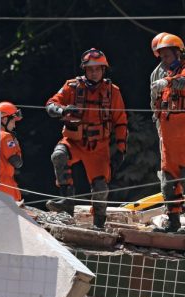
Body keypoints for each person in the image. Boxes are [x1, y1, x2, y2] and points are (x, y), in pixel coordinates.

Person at [45, 48, 128, 229]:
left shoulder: (113, 92)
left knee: (100, 188)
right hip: (74, 141)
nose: (94, 72)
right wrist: (62, 110)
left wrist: (121, 149)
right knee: (58, 156)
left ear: (103, 70)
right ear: (84, 69)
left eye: (98, 68)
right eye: (90, 69)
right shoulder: (72, 86)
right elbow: (51, 104)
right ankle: (67, 202)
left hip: (99, 147)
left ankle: (99, 224)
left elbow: (121, 122)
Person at [150, 33, 185, 234]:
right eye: (162, 57)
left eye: (167, 56)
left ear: (178, 53)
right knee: (168, 181)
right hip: (169, 140)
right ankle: (173, 222)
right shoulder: (164, 80)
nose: (164, 61)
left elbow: (183, 82)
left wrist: (166, 83)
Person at [0, 101, 23, 201]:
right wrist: (17, 146)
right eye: (13, 121)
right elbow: (17, 162)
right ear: (5, 119)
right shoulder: (6, 137)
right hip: (5, 187)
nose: (14, 125)